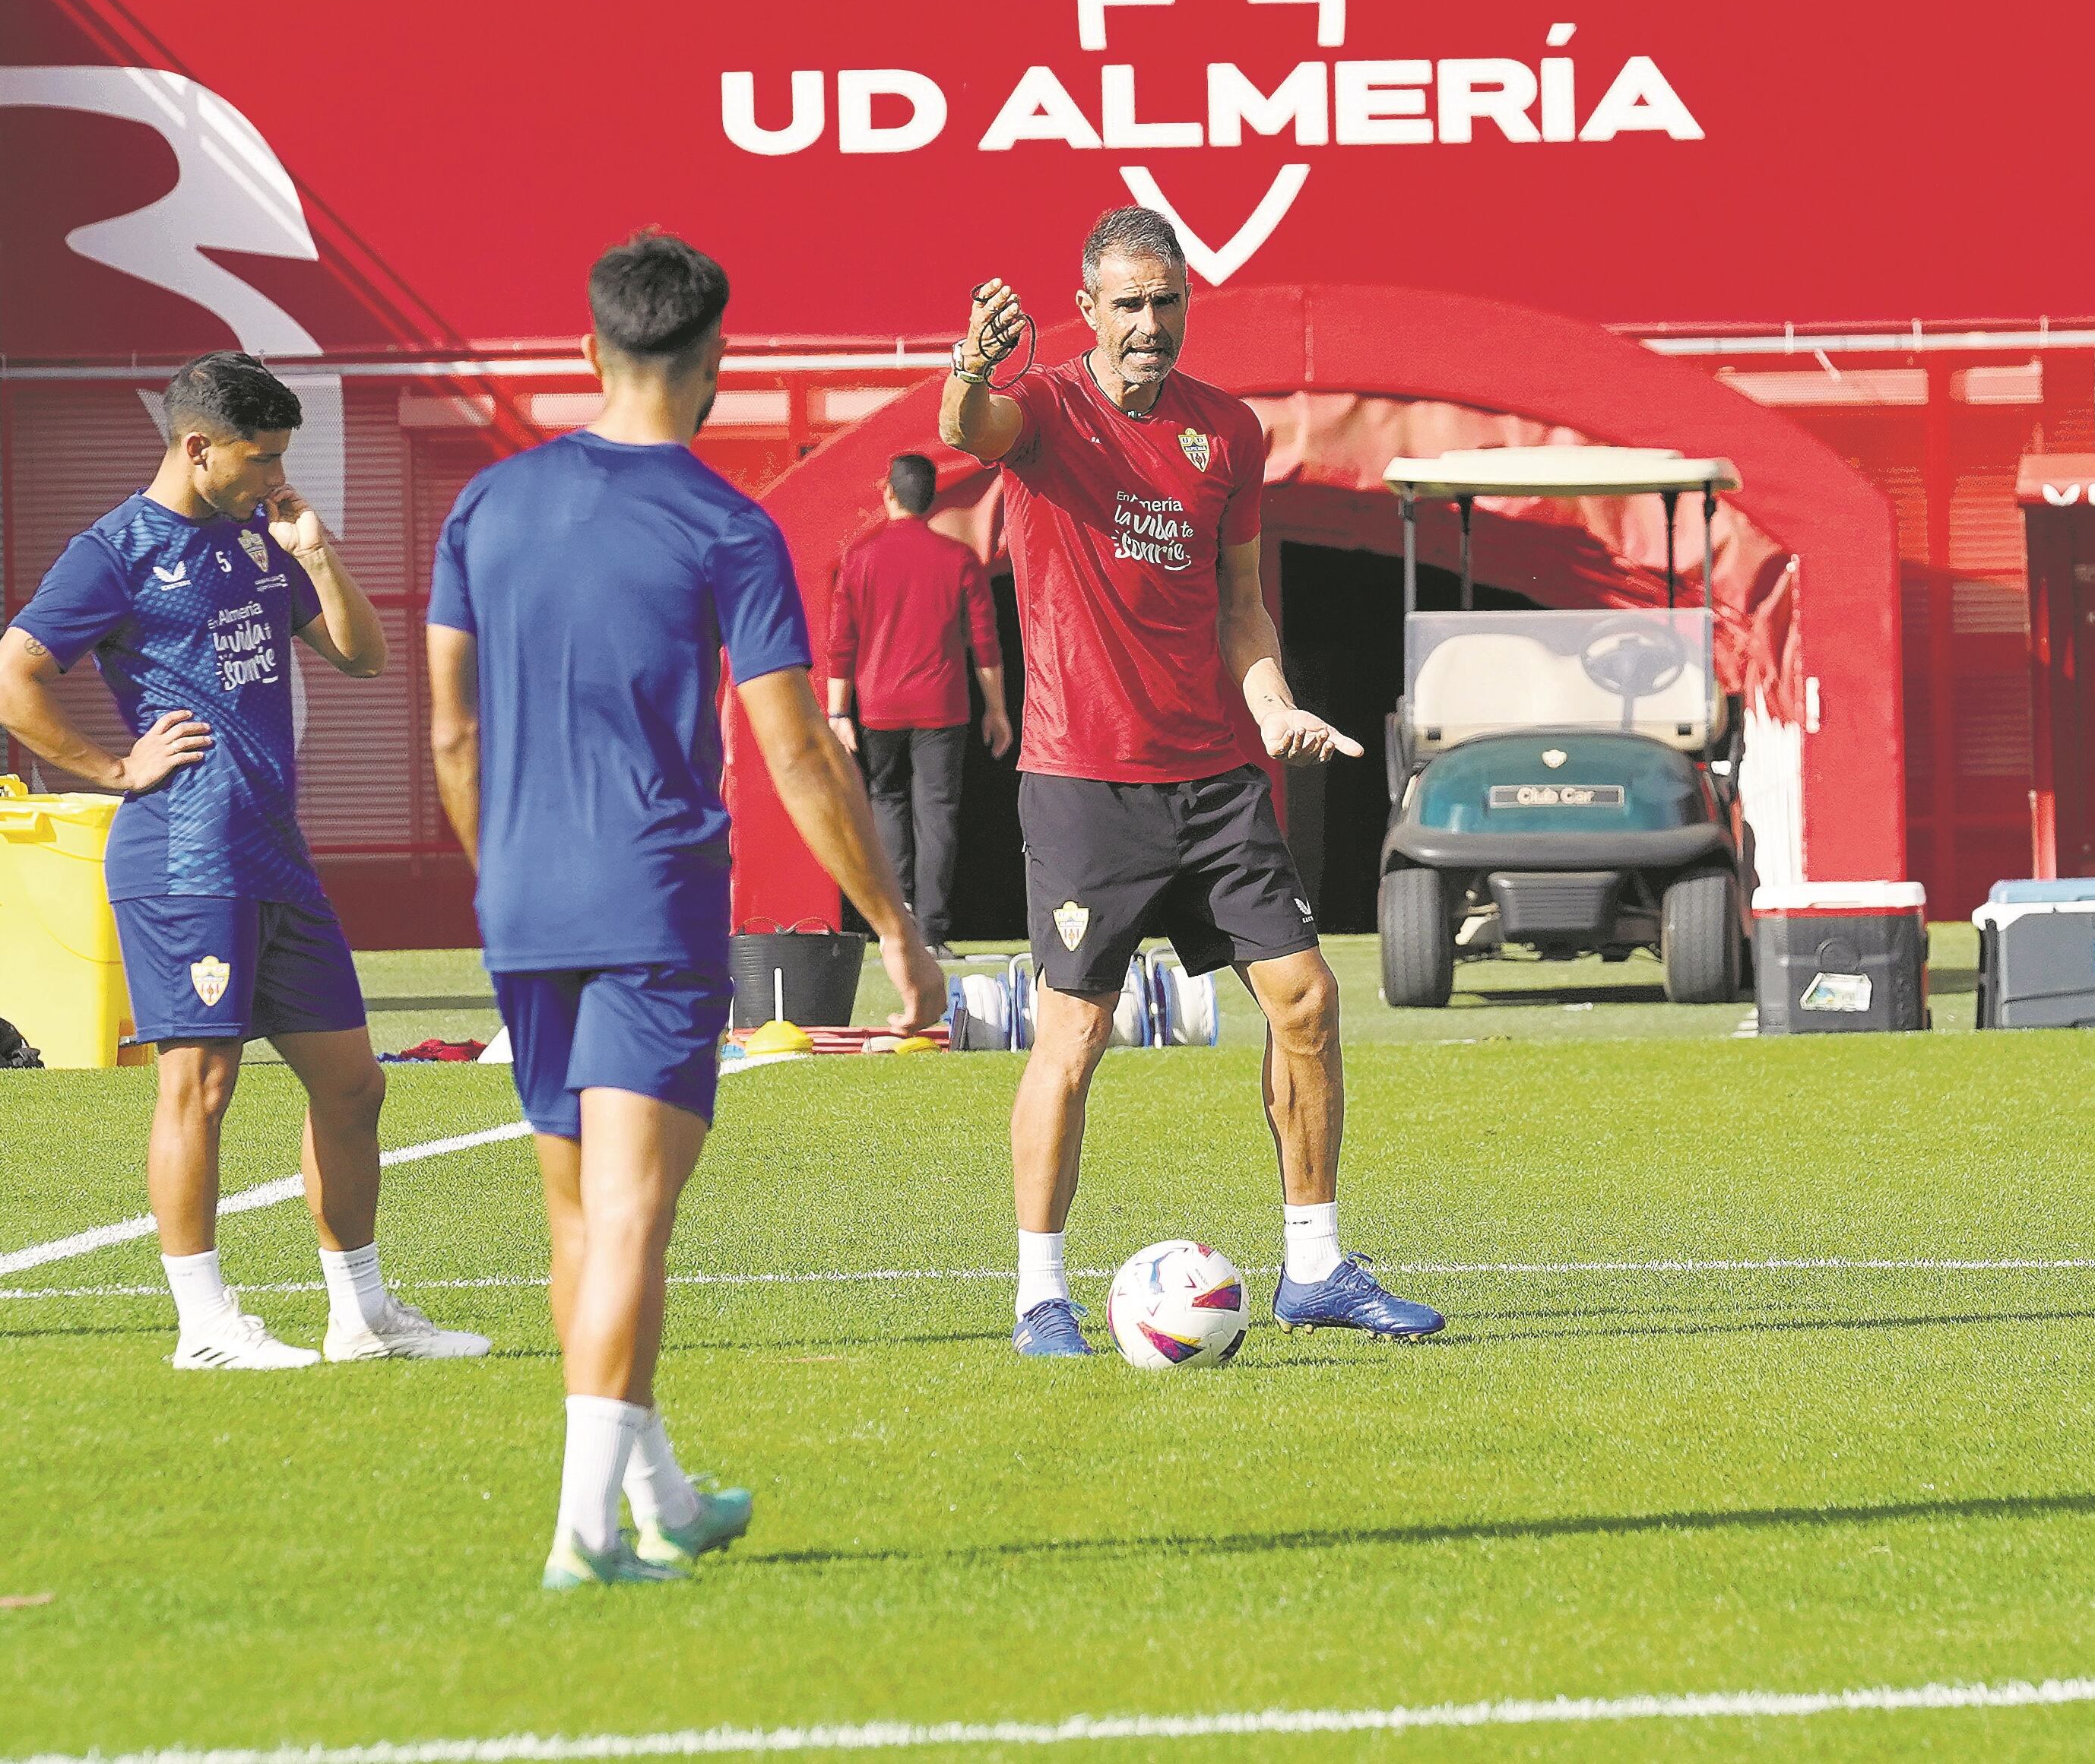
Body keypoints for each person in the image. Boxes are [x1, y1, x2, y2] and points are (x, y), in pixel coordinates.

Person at [429, 232, 945, 1591]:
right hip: (654, 902)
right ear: (715, 362)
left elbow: (449, 739)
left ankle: (657, 1493)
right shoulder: (730, 525)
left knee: (578, 1228)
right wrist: (892, 925)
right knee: (634, 1225)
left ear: (588, 350)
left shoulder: (484, 507)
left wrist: (501, 877)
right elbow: (797, 752)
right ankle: (583, 1535)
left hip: (522, 904)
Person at [940, 206, 1446, 1357]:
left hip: (1215, 777)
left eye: (1166, 302)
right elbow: (971, 425)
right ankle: (1038, 1298)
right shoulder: (1048, 411)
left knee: (1308, 1000)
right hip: (1083, 782)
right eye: (1128, 305)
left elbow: (1241, 603)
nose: (1149, 325)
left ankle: (1314, 1268)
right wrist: (971, 363)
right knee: (1075, 1033)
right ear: (1089, 311)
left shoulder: (1228, 431)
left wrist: (1271, 706)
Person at [0, 351, 488, 1373]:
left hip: (272, 855)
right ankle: (205, 1325)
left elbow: (361, 656)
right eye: (261, 459)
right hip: (181, 855)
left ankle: (362, 1316)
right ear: (196, 447)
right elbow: (7, 683)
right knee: (199, 1089)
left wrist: (315, 547)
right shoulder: (114, 550)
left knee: (352, 1087)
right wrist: (116, 769)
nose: (273, 475)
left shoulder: (261, 534)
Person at [822, 454, 1013, 951]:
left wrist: (837, 711)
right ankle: (930, 929)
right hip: (942, 705)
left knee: (886, 802)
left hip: (880, 705)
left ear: (888, 493)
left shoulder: (860, 557)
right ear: (931, 496)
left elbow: (840, 642)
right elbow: (985, 643)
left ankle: (896, 922)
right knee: (938, 811)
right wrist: (997, 708)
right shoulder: (957, 558)